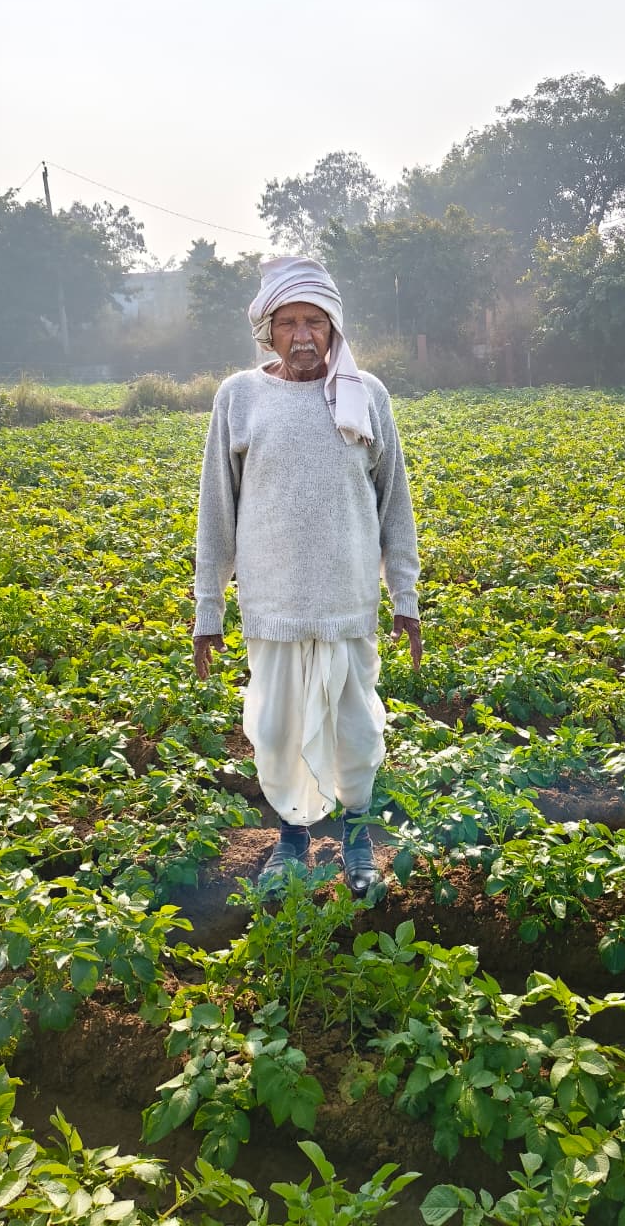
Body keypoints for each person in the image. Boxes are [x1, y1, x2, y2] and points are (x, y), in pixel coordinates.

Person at [192, 256, 421, 895]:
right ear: (268, 331)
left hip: (348, 599)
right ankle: (292, 838)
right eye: (287, 322)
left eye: (313, 321)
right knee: (276, 728)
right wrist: (207, 606)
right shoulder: (238, 397)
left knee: (354, 728)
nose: (301, 335)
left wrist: (405, 592)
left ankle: (354, 837)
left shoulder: (366, 395)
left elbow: (393, 503)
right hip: (274, 604)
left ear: (333, 327)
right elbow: (217, 510)